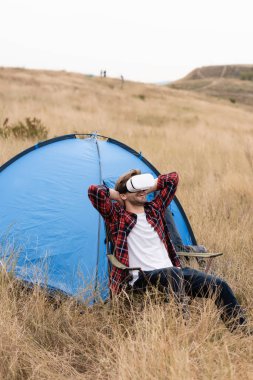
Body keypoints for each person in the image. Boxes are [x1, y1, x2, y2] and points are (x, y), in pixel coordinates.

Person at [88, 169, 250, 332]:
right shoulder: (117, 216)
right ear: (124, 195)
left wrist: (146, 188)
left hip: (174, 273)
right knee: (172, 273)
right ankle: (184, 329)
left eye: (142, 186)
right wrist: (120, 194)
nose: (142, 191)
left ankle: (241, 330)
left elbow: (172, 179)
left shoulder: (155, 210)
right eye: (135, 187)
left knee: (219, 285)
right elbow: (94, 192)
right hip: (141, 277)